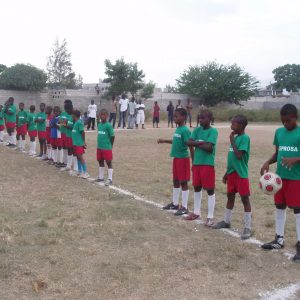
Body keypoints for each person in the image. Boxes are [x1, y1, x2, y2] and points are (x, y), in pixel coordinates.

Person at [260, 104, 300, 262]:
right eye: (283, 121)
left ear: (295, 117)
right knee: (279, 207)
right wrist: (267, 162)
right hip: (280, 179)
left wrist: (296, 159)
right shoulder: (279, 132)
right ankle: (279, 239)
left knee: (297, 210)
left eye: (288, 121)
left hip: (296, 178)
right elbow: (278, 153)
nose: (285, 124)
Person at [212, 115, 252, 240]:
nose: (231, 126)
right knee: (230, 197)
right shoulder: (236, 137)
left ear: (240, 126)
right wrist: (226, 174)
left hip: (241, 174)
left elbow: (239, 156)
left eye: (233, 124)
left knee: (245, 199)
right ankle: (226, 221)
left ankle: (247, 227)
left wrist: (232, 141)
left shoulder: (244, 138)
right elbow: (232, 160)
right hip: (232, 174)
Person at [184, 110, 218, 226]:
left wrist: (196, 143)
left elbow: (209, 148)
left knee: (210, 190)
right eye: (199, 118)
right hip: (197, 163)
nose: (200, 120)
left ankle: (210, 217)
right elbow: (188, 142)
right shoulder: (197, 130)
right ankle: (196, 212)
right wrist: (201, 143)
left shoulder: (213, 131)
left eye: (203, 118)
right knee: (197, 188)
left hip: (207, 164)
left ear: (210, 119)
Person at [158, 108, 193, 216]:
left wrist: (193, 159)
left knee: (183, 182)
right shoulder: (178, 129)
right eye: (174, 116)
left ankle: (184, 207)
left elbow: (190, 144)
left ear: (183, 117)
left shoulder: (185, 130)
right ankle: (175, 203)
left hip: (183, 159)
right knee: (176, 181)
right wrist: (165, 140)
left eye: (176, 116)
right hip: (176, 158)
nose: (174, 118)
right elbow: (176, 141)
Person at [96, 109, 115, 186]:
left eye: (104, 115)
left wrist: (111, 145)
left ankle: (110, 179)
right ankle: (101, 177)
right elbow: (97, 123)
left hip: (106, 147)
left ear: (107, 116)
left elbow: (112, 136)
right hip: (99, 147)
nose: (102, 116)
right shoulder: (99, 124)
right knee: (100, 161)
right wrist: (97, 119)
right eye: (101, 114)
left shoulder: (108, 125)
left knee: (108, 162)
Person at [72, 110, 89, 178]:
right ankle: (79, 170)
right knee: (77, 157)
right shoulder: (76, 122)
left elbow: (83, 132)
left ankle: (85, 172)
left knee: (80, 157)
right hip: (75, 143)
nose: (71, 116)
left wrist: (83, 141)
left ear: (74, 115)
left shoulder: (79, 123)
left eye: (72, 115)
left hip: (79, 143)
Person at [61, 102, 74, 172]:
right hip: (67, 135)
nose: (66, 112)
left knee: (72, 150)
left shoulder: (74, 116)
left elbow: (74, 126)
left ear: (70, 109)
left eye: (67, 110)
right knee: (69, 149)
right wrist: (64, 123)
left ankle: (72, 166)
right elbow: (61, 123)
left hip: (73, 136)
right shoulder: (67, 115)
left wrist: (66, 125)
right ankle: (68, 165)